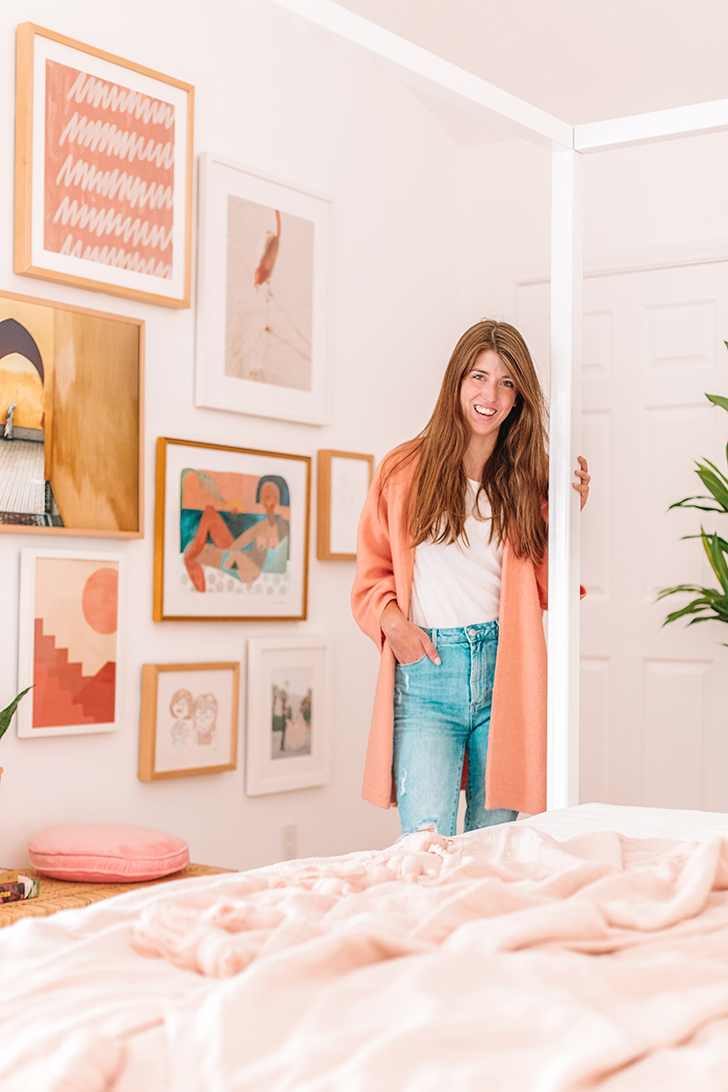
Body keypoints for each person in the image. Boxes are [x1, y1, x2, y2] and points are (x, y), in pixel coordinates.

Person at [351, 320, 590, 837]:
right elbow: (372, 575)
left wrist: (568, 510)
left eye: (507, 382)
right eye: (479, 377)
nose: (491, 394)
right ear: (456, 382)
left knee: (492, 848)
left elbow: (548, 589)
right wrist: (395, 626)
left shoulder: (532, 480)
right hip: (426, 671)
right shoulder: (402, 471)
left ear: (519, 396)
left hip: (505, 669)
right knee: (426, 844)